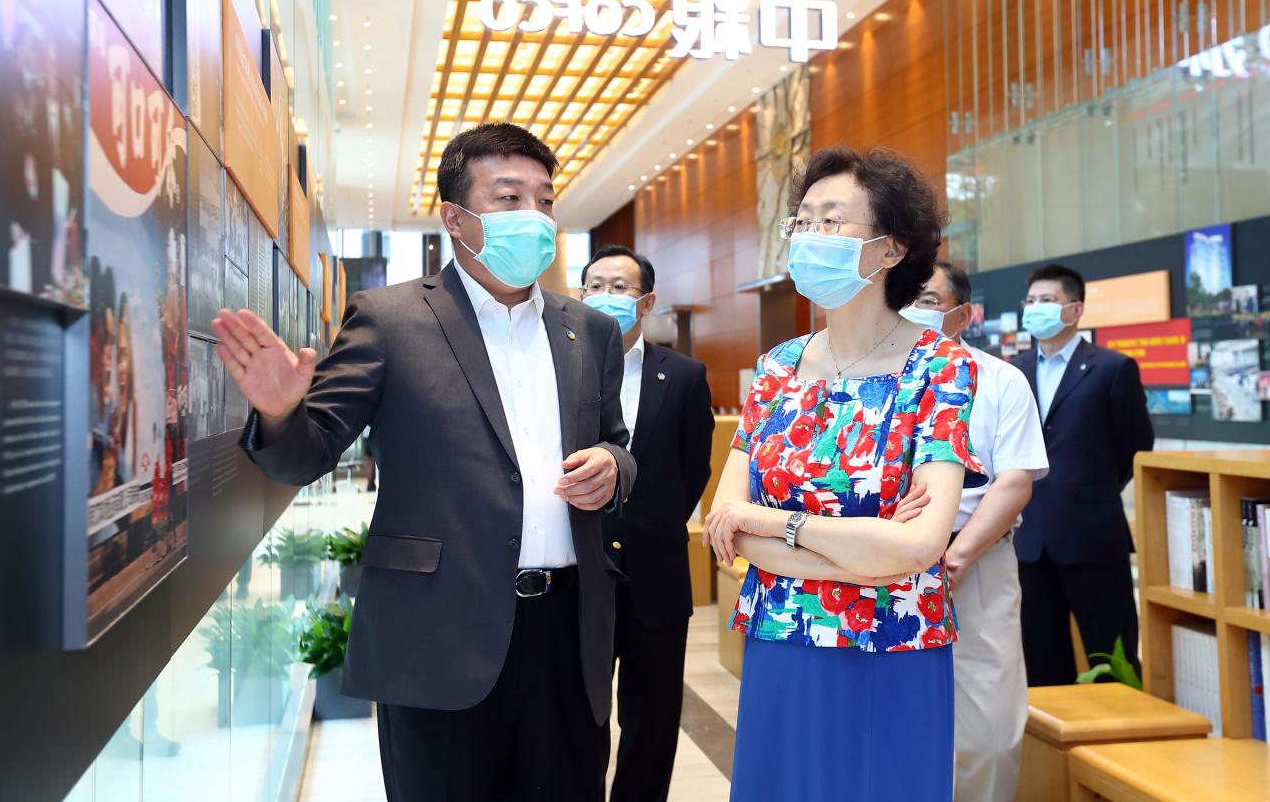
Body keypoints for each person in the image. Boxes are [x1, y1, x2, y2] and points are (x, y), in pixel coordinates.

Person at [212, 122, 637, 802]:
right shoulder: (389, 319)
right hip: (439, 635)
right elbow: (306, 454)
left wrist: (613, 467)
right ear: (455, 218)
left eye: (544, 200)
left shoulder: (588, 329)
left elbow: (617, 441)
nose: (533, 216)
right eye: (508, 198)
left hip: (568, 634)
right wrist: (281, 412)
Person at [703, 146, 982, 802]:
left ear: (892, 249)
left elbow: (921, 545)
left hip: (893, 641)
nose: (809, 236)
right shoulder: (777, 367)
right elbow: (727, 527)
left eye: (831, 221)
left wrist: (776, 523)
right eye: (802, 221)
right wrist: (869, 551)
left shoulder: (940, 367)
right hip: (781, 637)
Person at [905, 260, 1048, 802]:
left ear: (962, 315)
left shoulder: (1001, 380)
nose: (912, 309)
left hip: (976, 562)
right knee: (894, 721)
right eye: (905, 296)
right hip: (877, 565)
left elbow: (1014, 482)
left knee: (989, 727)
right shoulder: (869, 377)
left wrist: (957, 558)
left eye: (927, 300)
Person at [580, 244, 714, 802]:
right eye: (594, 286)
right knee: (578, 718)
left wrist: (647, 526)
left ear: (648, 301)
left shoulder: (683, 375)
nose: (605, 297)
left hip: (656, 577)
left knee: (653, 723)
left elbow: (695, 468)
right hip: (579, 574)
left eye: (620, 287)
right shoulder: (559, 369)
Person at [1010, 264, 1154, 687]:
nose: (1036, 308)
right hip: (1029, 541)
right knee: (1041, 663)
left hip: (1092, 537)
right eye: (1031, 301)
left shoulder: (1112, 368)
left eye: (1047, 300)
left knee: (1112, 658)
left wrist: (1089, 492)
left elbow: (1135, 446)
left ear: (1075, 310)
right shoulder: (1014, 370)